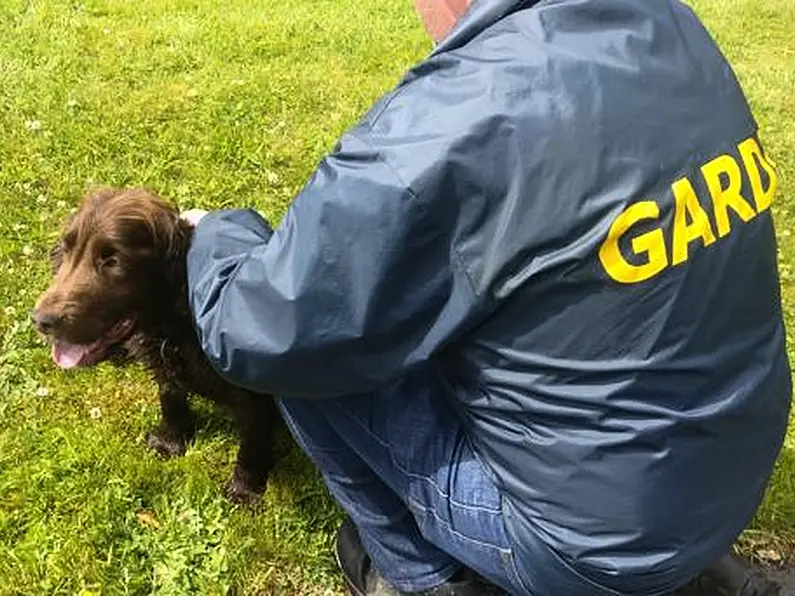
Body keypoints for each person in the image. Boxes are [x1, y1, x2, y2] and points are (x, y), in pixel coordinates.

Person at [181, 0, 792, 594]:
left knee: (309, 349)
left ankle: (417, 576)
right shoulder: (665, 21)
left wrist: (218, 232)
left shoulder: (446, 123)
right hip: (733, 474)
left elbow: (262, 330)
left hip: (592, 552)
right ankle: (686, 556)